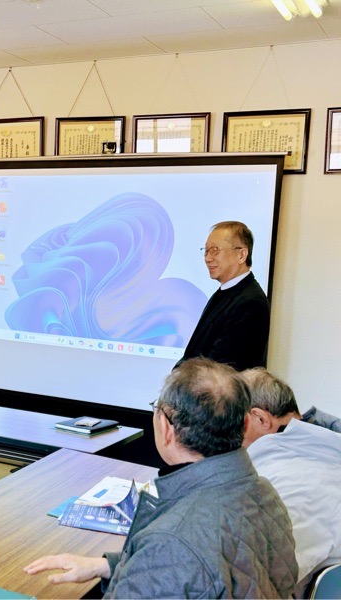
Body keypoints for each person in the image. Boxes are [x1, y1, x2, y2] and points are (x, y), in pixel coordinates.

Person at [24, 358, 298, 598]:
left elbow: (179, 560)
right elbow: (210, 571)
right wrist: (108, 566)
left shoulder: (170, 541)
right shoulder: (264, 492)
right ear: (246, 424)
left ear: (166, 428)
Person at [240, 367, 341, 590]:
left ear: (260, 418)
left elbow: (254, 583)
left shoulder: (280, 485)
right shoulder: (328, 454)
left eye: (232, 420)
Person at [176, 221, 270, 371]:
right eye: (206, 251)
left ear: (241, 255)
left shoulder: (251, 302)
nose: (208, 258)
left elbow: (224, 368)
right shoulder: (224, 292)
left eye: (215, 250)